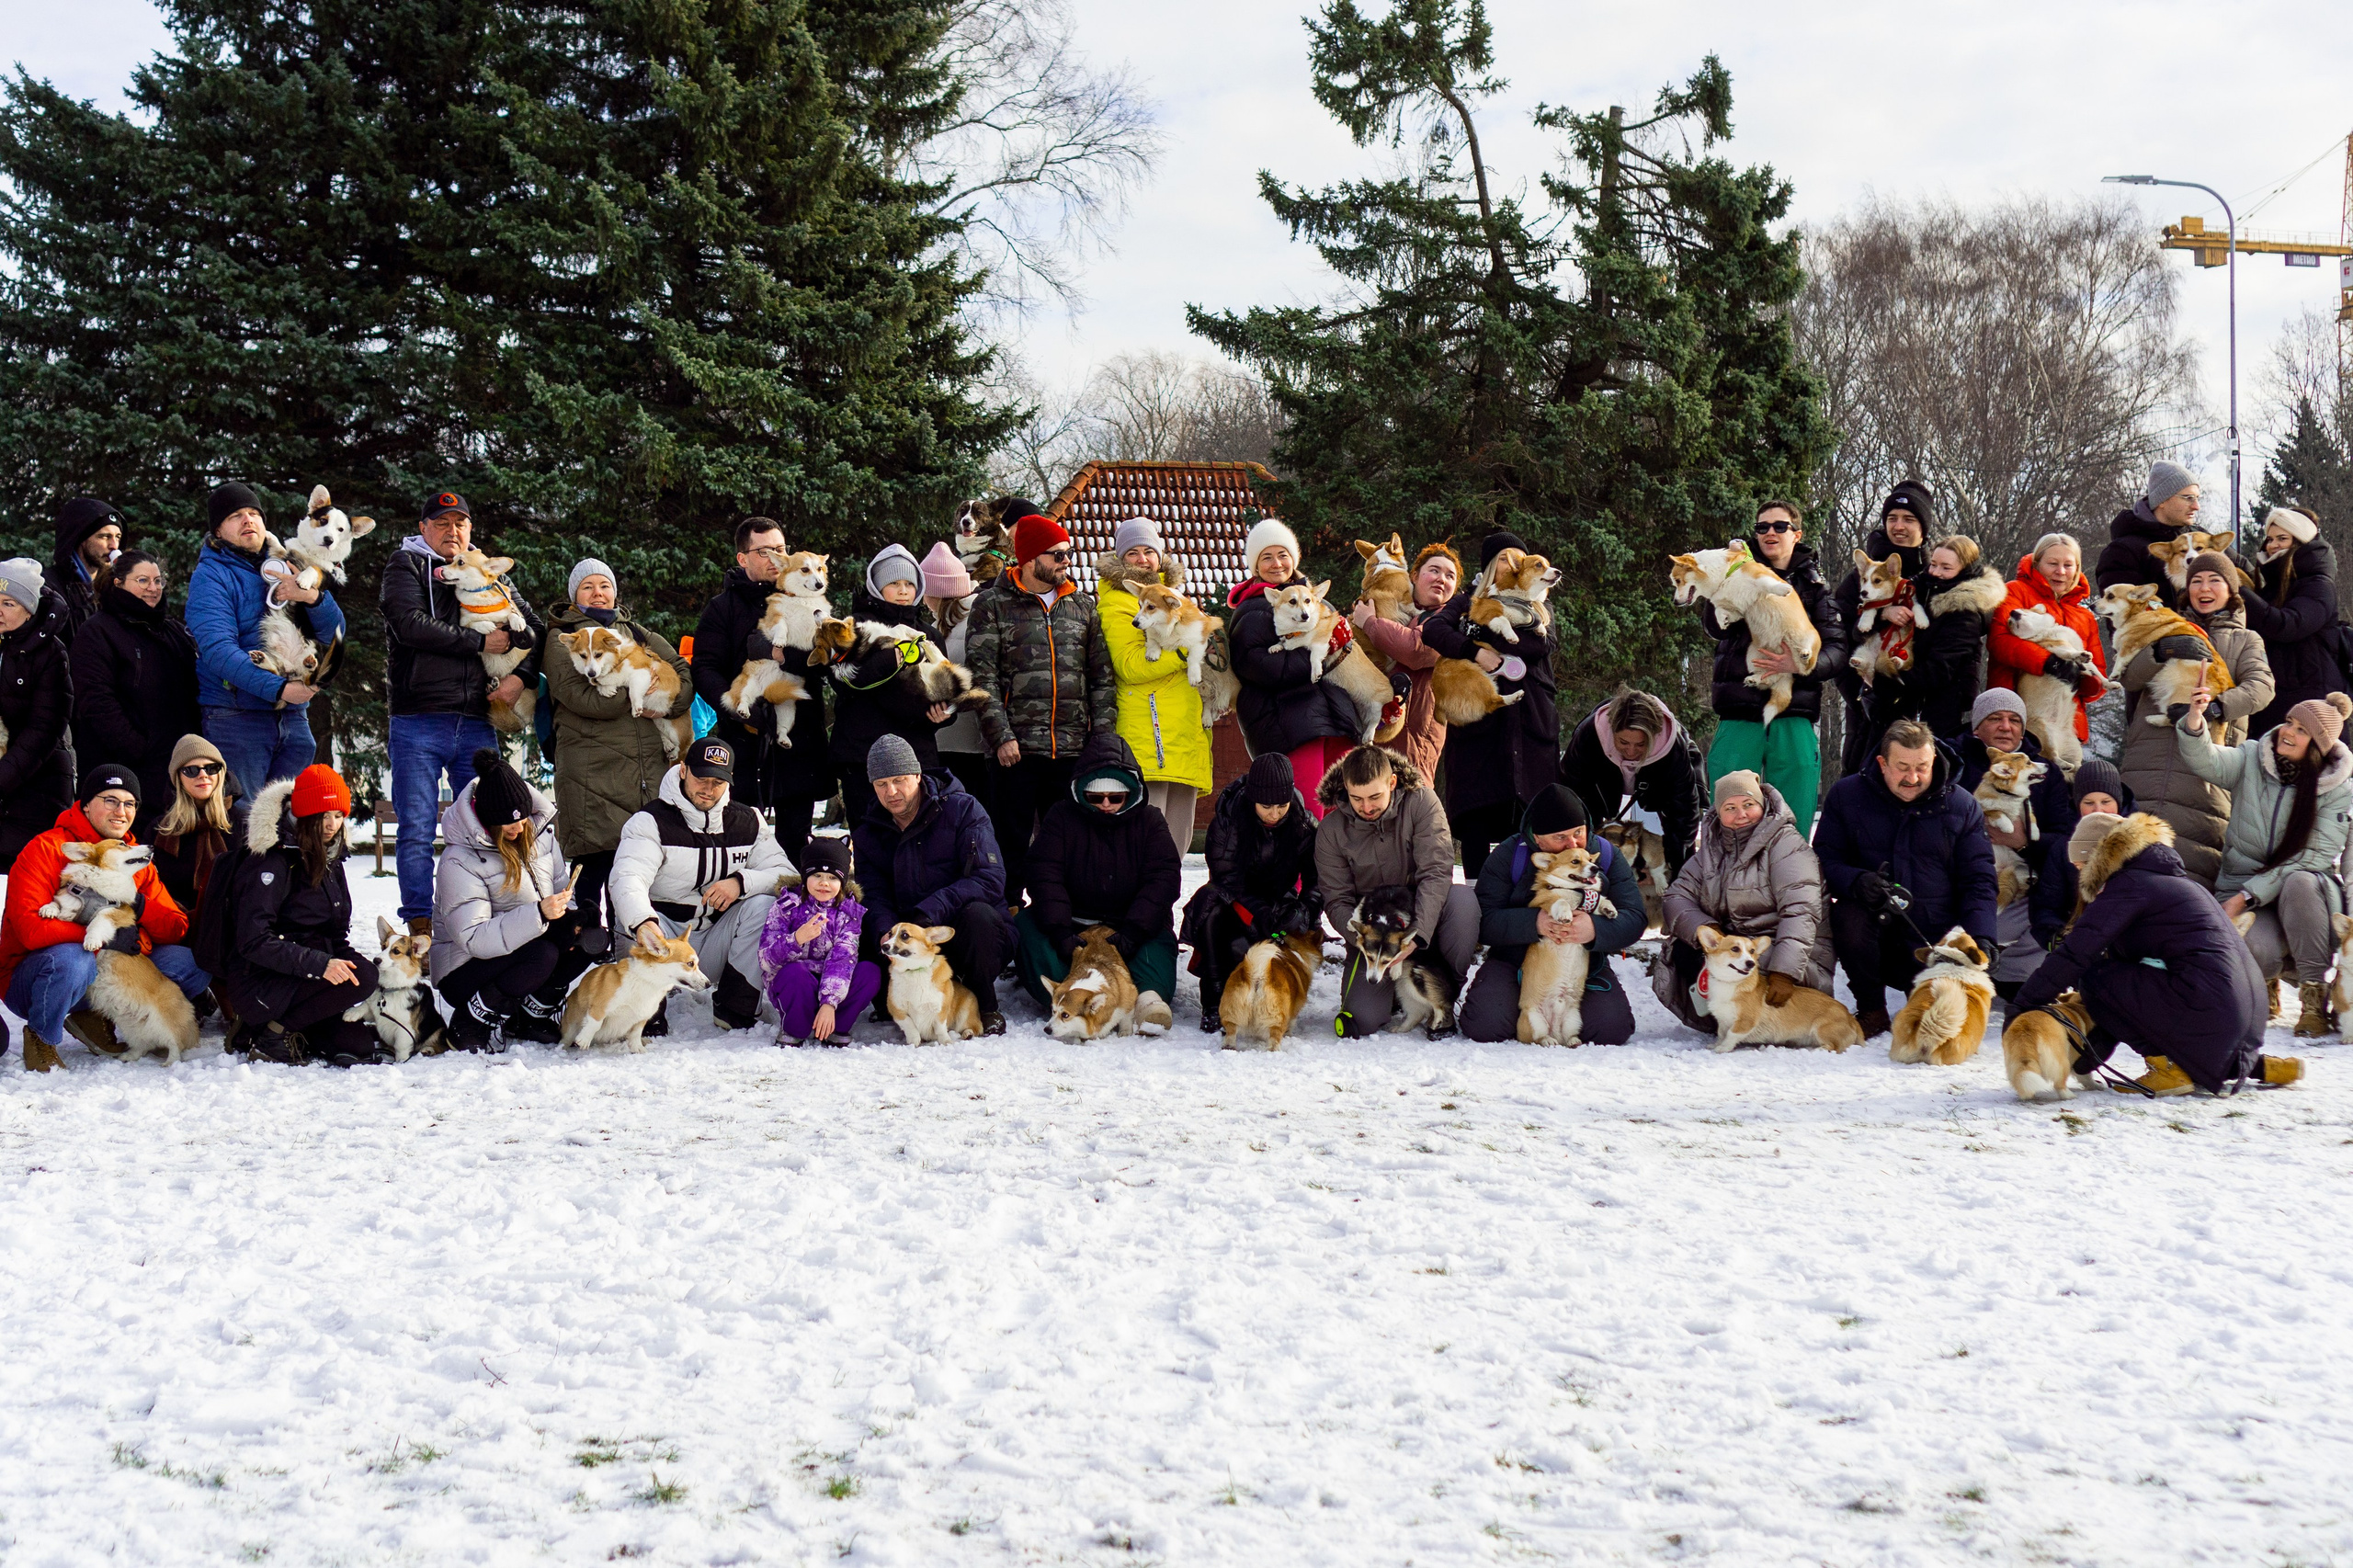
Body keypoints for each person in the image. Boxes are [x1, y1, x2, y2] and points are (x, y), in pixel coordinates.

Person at [2011, 810, 2296, 1096]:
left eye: (2080, 863)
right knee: (2115, 979)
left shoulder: (2129, 886)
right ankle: (2265, 1067)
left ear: (2101, 858)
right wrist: (2090, 1054)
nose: (2077, 870)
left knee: (2095, 978)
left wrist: (2021, 1005)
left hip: (2212, 1005)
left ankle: (2167, 1068)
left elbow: (2076, 955)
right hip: (2245, 1012)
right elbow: (2125, 994)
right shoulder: (2175, 883)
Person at [381, 489, 546, 937]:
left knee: (494, 819)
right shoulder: (407, 565)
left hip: (477, 719)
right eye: (441, 523)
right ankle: (419, 922)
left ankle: (492, 912)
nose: (452, 531)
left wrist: (519, 679)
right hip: (419, 718)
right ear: (423, 529)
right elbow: (409, 623)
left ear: (470, 529)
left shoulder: (487, 569)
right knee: (416, 825)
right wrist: (477, 642)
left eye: (460, 523)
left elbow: (535, 630)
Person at [0, 764, 205, 1071]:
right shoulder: (45, 848)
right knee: (74, 959)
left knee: (189, 965)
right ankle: (42, 1035)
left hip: (105, 969)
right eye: (110, 800)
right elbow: (30, 931)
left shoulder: (133, 859)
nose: (121, 811)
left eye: (130, 803)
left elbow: (176, 928)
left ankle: (94, 1015)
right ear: (85, 805)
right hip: (33, 977)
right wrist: (101, 935)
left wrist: (138, 908)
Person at [2177, 688, 2353, 1038]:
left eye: (2302, 730)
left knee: (2300, 880)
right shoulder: (2253, 757)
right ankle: (2266, 982)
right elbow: (2206, 761)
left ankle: (2314, 999)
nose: (2288, 731)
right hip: (2244, 885)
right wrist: (2195, 720)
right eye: (2290, 722)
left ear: (2318, 745)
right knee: (2252, 949)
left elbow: (2314, 857)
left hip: (2308, 899)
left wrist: (2244, 897)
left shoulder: (2338, 790)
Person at [963, 510, 1115, 908]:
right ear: (1030, 559)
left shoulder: (1083, 606)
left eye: (1068, 553)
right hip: (1014, 753)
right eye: (1058, 554)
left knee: (1065, 850)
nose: (1067, 561)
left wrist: (1100, 741)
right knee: (1008, 847)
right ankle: (1008, 932)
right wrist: (1001, 737)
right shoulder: (991, 605)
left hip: (1071, 751)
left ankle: (1057, 931)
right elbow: (984, 679)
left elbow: (1100, 677)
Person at [1813, 720, 1998, 1037]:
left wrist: (1982, 936)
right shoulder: (1847, 795)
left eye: (1922, 768)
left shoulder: (1962, 805)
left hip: (1935, 935)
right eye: (1902, 768)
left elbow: (1978, 879)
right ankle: (1872, 1008)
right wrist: (1856, 880)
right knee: (1847, 915)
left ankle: (1933, 1002)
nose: (1912, 778)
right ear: (1882, 764)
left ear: (1934, 761)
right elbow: (1823, 859)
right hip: (1876, 930)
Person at [542, 558, 692, 933]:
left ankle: (636, 945)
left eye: (604, 585)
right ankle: (588, 950)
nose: (598, 592)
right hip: (592, 773)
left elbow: (684, 679)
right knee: (594, 866)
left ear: (614, 592)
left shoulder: (638, 635)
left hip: (645, 772)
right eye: (588, 586)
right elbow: (587, 699)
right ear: (575, 594)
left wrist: (665, 696)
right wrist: (636, 684)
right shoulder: (564, 637)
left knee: (640, 870)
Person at [608, 737, 792, 1032]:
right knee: (629, 915)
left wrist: (740, 882)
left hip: (716, 939)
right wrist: (644, 923)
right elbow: (627, 878)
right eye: (701, 778)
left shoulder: (749, 821)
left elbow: (785, 874)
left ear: (729, 782)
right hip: (664, 940)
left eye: (717, 782)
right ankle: (644, 1013)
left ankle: (736, 1006)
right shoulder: (649, 821)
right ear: (683, 770)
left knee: (766, 904)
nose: (708, 789)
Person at [2116, 551, 2274, 888]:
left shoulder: (2246, 640)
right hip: (2147, 760)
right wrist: (2162, 651)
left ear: (2231, 591)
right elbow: (2128, 679)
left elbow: (2262, 688)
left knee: (2191, 872)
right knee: (2129, 869)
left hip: (2205, 768)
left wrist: (2217, 707)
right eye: (2197, 580)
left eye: (2215, 580)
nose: (2205, 587)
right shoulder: (2160, 625)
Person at [209, 765, 384, 1067]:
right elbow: (253, 941)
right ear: (303, 813)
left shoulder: (331, 855)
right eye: (323, 815)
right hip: (261, 980)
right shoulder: (270, 860)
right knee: (363, 978)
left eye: (339, 815)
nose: (332, 825)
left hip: (307, 978)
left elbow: (335, 935)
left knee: (357, 1047)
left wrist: (355, 968)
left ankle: (265, 1029)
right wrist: (322, 965)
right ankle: (272, 1032)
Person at [1691, 500, 1848, 835]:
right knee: (1727, 814)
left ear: (1797, 534)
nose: (1770, 533)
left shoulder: (1815, 586)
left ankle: (1790, 880)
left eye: (1780, 526)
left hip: (1793, 708)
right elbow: (1714, 627)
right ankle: (1724, 881)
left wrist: (1801, 664)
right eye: (1762, 527)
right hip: (1740, 706)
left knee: (1793, 814)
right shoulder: (1734, 568)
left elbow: (1837, 649)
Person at [432, 748, 600, 1050]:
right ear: (487, 820)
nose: (519, 827)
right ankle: (472, 1020)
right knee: (544, 954)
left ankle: (530, 1014)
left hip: (524, 943)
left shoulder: (541, 836)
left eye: (523, 818)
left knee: (589, 939)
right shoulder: (459, 860)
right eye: (508, 823)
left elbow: (562, 890)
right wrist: (538, 914)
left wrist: (577, 917)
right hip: (464, 966)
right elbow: (473, 938)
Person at [690, 517, 832, 868]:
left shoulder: (808, 597)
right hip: (744, 743)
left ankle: (798, 919)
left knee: (796, 843)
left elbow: (826, 660)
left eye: (781, 549)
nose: (775, 558)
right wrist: (736, 707)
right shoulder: (722, 608)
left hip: (797, 740)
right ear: (743, 558)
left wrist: (779, 653)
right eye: (764, 551)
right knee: (741, 846)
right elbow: (705, 667)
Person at [187, 481, 345, 796]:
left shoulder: (290, 563)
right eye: (235, 516)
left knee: (290, 819)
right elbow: (217, 651)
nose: (248, 520)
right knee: (242, 820)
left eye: (253, 513)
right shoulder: (212, 575)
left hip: (294, 718)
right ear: (217, 531)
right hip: (237, 717)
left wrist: (313, 598)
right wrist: (281, 688)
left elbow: (334, 633)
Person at [1012, 731, 1182, 1022]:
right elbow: (1044, 873)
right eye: (1095, 796)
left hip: (1129, 926)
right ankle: (1068, 996)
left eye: (1115, 797)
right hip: (1073, 922)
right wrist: (1061, 932)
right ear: (1081, 792)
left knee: (1157, 943)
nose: (1105, 804)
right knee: (1026, 929)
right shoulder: (1062, 817)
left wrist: (1132, 934)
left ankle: (1146, 999)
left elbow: (1163, 880)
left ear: (1130, 793)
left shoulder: (1150, 821)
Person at [1419, 529, 1563, 873]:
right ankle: (1474, 901)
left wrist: (1475, 632)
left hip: (1530, 721)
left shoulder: (1539, 606)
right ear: (1488, 566)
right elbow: (1434, 631)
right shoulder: (1467, 600)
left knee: (1532, 819)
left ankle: (1525, 906)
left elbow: (1539, 647)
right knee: (1476, 817)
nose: (1511, 564)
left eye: (1517, 558)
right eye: (1503, 559)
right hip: (1479, 722)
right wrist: (1473, 653)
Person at [1314, 744, 1481, 1038]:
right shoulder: (1331, 830)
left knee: (1463, 903)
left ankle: (1442, 996)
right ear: (1346, 789)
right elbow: (1336, 898)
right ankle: (1392, 995)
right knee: (1362, 1020)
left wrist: (1417, 934)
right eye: (1357, 798)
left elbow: (1436, 871)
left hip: (1422, 918)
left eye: (1375, 796)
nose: (1366, 807)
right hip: (1371, 934)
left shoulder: (1422, 803)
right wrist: (1363, 939)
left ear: (1391, 782)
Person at [1653, 770, 1836, 1034]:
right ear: (1718, 813)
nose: (1741, 814)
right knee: (1685, 948)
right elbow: (1676, 897)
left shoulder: (1787, 846)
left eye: (1748, 805)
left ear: (1761, 805)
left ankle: (1769, 1018)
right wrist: (1710, 931)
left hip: (1791, 957)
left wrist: (1785, 972)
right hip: (1741, 947)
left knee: (1739, 960)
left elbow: (1801, 913)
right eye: (1730, 807)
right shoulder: (1712, 850)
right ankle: (1727, 1017)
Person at [1461, 785, 1646, 1045]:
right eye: (1560, 837)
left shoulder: (1604, 855)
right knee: (1485, 1026)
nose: (1572, 844)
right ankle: (1524, 1016)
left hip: (1581, 965)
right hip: (1513, 961)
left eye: (1578, 833)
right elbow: (1484, 919)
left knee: (1611, 1030)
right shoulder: (1509, 855)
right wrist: (1534, 922)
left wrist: (1594, 929)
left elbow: (1635, 917)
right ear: (1538, 839)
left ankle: (1551, 1018)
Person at [854, 734, 1012, 1034]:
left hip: (960, 929)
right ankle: (891, 1003)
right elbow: (872, 892)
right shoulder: (868, 832)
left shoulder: (963, 810)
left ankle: (985, 1004)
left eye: (900, 780)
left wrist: (929, 912)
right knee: (858, 921)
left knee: (980, 917)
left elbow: (989, 878)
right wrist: (889, 931)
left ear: (917, 775)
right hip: (905, 936)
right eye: (881, 784)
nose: (892, 792)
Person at [1227, 517, 1362, 824]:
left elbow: (1348, 651)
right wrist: (1323, 651)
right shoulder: (1253, 609)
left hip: (1333, 721)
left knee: (1338, 818)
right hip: (1289, 725)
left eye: (1283, 554)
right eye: (1267, 557)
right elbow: (1259, 666)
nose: (1277, 563)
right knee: (1306, 814)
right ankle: (1300, 876)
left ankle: (1331, 875)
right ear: (1255, 566)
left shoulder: (1313, 599)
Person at [1095, 517, 1211, 860]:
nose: (1143, 559)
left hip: (1185, 734)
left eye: (1149, 551)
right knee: (1142, 843)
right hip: (1150, 735)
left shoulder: (1176, 599)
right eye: (1133, 553)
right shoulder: (1118, 603)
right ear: (1120, 559)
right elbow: (1130, 666)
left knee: (1176, 844)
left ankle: (1161, 912)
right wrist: (1189, 649)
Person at [1951, 689, 2079, 998]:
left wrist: (2023, 843)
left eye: (2013, 720)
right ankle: (1959, 967)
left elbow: (2064, 842)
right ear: (1977, 727)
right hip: (1964, 880)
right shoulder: (1953, 765)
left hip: (2024, 882)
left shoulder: (2045, 775)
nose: (2006, 726)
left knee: (2052, 914)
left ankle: (2011, 976)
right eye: (1995, 718)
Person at [1179, 753, 1321, 1030]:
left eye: (1282, 805)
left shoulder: (1303, 824)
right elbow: (1225, 875)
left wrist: (1303, 911)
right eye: (1266, 805)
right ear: (1252, 798)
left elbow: (1318, 880)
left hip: (1281, 900)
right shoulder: (1228, 818)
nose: (1275, 813)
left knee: (1292, 940)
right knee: (1208, 905)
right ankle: (1213, 997)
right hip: (1236, 899)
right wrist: (1259, 911)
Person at [69, 551, 201, 840]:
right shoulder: (98, 631)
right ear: (118, 583)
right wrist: (139, 748)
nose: (153, 588)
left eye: (157, 580)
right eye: (142, 580)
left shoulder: (173, 631)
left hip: (173, 769)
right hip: (125, 770)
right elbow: (96, 701)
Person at [828, 544, 953, 825]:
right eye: (894, 583)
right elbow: (842, 679)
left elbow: (946, 686)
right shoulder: (853, 628)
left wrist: (945, 714)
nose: (903, 591)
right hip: (862, 755)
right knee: (871, 836)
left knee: (921, 837)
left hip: (916, 757)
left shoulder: (929, 634)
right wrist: (889, 660)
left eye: (909, 583)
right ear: (876, 585)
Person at [1870, 533, 2009, 745]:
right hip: (1903, 696)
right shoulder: (1919, 588)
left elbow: (1939, 670)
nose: (1935, 572)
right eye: (1933, 564)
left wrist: (1887, 680)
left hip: (1936, 704)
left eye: (1946, 567)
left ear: (1965, 570)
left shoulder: (1966, 612)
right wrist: (1884, 613)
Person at [1832, 481, 1931, 775]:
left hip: (1920, 702)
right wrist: (1860, 694)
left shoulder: (1934, 574)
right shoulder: (1860, 577)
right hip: (1867, 705)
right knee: (1864, 780)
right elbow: (1838, 634)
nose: (1898, 526)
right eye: (1892, 518)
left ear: (1923, 528)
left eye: (1908, 519)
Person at [1348, 540, 1462, 784]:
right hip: (1372, 741)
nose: (1442, 578)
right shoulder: (1393, 609)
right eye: (1434, 570)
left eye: (1450, 575)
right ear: (1414, 575)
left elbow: (1416, 650)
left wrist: (1370, 623)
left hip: (1413, 750)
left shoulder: (1453, 623)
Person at [1558, 687, 1706, 876]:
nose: (1631, 751)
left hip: (1661, 777)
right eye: (1624, 742)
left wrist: (1673, 862)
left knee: (1681, 848)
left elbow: (1684, 811)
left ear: (1653, 737)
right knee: (1585, 828)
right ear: (1612, 733)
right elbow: (1572, 794)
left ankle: (1683, 887)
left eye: (1640, 744)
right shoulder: (1589, 736)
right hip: (1601, 776)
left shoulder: (1673, 747)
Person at [1984, 532, 2106, 756]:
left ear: (2077, 568)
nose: (2060, 571)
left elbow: (2098, 677)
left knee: (2062, 786)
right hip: (2013, 717)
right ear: (2037, 563)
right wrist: (2049, 662)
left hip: (2067, 726)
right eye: (2052, 563)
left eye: (2068, 565)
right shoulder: (2016, 591)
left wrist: (2085, 680)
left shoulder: (2085, 617)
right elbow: (1999, 641)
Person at [757, 835, 881, 1047]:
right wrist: (796, 939)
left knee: (869, 972)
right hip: (799, 986)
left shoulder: (848, 912)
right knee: (794, 974)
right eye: (817, 875)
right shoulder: (786, 906)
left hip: (834, 988)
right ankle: (796, 1027)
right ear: (805, 877)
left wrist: (829, 1003)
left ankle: (833, 1027)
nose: (824, 883)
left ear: (842, 883)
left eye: (833, 878)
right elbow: (766, 961)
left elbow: (843, 958)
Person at [0, 559, 78, 864]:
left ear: (29, 609)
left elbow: (45, 728)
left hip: (39, 783)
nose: (0, 610)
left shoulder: (51, 653)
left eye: (8, 603)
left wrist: (2, 779)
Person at [2238, 505, 2339, 737]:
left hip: (2309, 703)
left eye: (2282, 538)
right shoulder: (2274, 584)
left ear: (2301, 541)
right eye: (2270, 539)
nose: (2273, 545)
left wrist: (2239, 591)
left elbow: (2287, 625)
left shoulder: (2319, 584)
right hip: (2277, 699)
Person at [2027, 758, 2136, 959]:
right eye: (2089, 803)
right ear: (2078, 806)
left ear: (2118, 803)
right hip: (2079, 945)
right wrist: (2059, 940)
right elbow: (2046, 907)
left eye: (2106, 802)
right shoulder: (2063, 848)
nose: (2098, 810)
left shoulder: (2141, 841)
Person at [921, 541, 995, 824]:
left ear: (936, 592)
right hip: (970, 740)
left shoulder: (957, 627)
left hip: (958, 741)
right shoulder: (965, 618)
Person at [151, 734, 243, 927]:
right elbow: (151, 887)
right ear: (178, 778)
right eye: (191, 770)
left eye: (211, 768)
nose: (203, 775)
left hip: (232, 928)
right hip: (175, 925)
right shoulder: (160, 829)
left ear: (221, 773)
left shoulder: (243, 822)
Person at [2093, 460, 2203, 599]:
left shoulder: (2202, 537)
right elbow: (2124, 613)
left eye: (2197, 498)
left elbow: (2238, 574)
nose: (2196, 506)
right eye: (2188, 498)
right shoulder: (2123, 552)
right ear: (2162, 500)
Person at [49, 496, 124, 642]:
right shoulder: (50, 588)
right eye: (104, 537)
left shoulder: (114, 589)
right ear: (81, 539)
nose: (114, 546)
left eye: (118, 537)